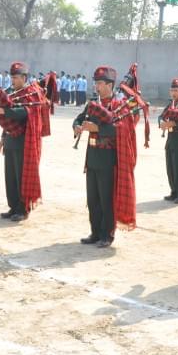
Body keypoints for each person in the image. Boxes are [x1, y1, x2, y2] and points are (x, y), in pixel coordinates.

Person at [73, 66, 137, 248]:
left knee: (106, 199)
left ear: (110, 85)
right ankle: (94, 232)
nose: (97, 87)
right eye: (96, 83)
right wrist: (76, 126)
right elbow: (78, 118)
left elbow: (121, 130)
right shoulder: (93, 103)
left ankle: (107, 235)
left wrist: (97, 129)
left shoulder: (119, 105)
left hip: (108, 160)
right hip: (92, 157)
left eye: (100, 83)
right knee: (92, 199)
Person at [0, 62, 45, 222]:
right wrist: (3, 138)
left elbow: (24, 112)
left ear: (24, 77)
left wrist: (3, 110)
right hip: (11, 140)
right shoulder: (11, 94)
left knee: (22, 175)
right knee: (10, 176)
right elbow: (9, 120)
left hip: (24, 142)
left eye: (15, 77)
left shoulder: (32, 94)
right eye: (11, 77)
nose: (12, 80)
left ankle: (23, 209)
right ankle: (13, 206)